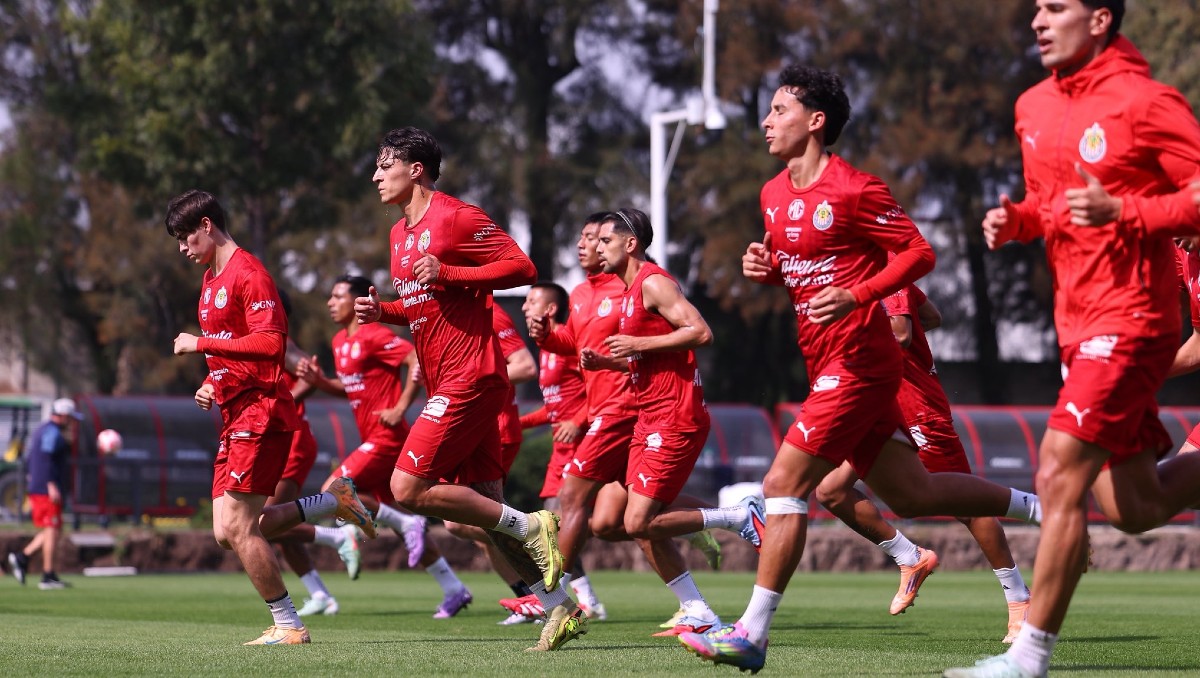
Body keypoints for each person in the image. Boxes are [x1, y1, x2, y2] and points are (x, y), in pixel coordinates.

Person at [677, 66, 1042, 674]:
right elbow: (802, 270)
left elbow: (920, 253)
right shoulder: (772, 195)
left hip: (861, 361)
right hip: (824, 357)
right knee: (915, 492)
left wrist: (859, 294)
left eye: (778, 110)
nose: (766, 121)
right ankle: (1044, 510)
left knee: (784, 485)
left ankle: (751, 633)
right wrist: (770, 269)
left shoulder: (854, 189)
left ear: (816, 121)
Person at [946, 2, 1200, 674]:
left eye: (1055, 7)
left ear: (1099, 20)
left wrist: (1130, 210)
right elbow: (1054, 205)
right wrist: (1019, 221)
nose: (1037, 19)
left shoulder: (1146, 102)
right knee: (1133, 505)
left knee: (1057, 469)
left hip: (1134, 317)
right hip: (1074, 325)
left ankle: (1029, 654)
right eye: (1035, 7)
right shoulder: (1032, 105)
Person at [353, 127, 573, 652]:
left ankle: (531, 525)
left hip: (470, 377)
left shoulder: (456, 216)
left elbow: (523, 266)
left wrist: (450, 270)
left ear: (417, 170)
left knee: (407, 489)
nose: (376, 175)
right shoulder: (398, 236)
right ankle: (561, 606)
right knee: (486, 513)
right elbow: (423, 306)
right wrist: (382, 310)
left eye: (386, 165)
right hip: (449, 380)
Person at [527, 213, 754, 639]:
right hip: (648, 414)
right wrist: (610, 358)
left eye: (606, 240)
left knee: (626, 518)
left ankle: (735, 517)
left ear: (630, 244)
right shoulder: (630, 290)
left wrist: (637, 344)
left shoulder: (652, 282)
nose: (597, 248)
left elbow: (701, 332)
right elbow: (643, 358)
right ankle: (697, 609)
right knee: (626, 523)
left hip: (671, 414)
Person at [166, 189, 376, 645]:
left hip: (261, 412)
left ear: (207, 225)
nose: (183, 248)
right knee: (226, 531)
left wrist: (199, 344)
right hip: (234, 408)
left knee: (242, 529)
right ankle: (333, 502)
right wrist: (211, 382)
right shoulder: (209, 281)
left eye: (185, 237)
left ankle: (289, 625)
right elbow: (233, 349)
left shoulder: (250, 272)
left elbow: (270, 346)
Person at [814, 281, 1032, 642]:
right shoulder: (857, 276)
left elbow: (901, 332)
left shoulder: (882, 275)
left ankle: (1021, 599)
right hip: (878, 409)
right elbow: (931, 315)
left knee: (971, 508)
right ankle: (910, 556)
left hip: (917, 409)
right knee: (830, 490)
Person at [295, 274, 472, 619]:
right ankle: (453, 588)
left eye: (337, 295)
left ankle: (408, 526)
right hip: (371, 439)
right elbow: (347, 389)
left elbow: (415, 360)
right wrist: (318, 382)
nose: (330, 302)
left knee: (333, 489)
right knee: (400, 522)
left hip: (387, 437)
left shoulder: (374, 334)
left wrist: (401, 407)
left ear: (358, 300)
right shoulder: (338, 342)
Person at [503, 280, 606, 624]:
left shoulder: (571, 343)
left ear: (550, 309)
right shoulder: (547, 348)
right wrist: (520, 422)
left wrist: (578, 421)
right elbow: (555, 407)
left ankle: (554, 600)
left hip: (583, 443)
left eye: (531, 300)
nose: (524, 306)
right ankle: (584, 600)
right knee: (558, 526)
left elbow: (601, 390)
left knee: (559, 526)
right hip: (561, 449)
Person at [7, 398, 81, 590]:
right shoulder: (52, 432)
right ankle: (47, 576)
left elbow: (33, 458)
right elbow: (46, 458)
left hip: (40, 487)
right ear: (63, 415)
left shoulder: (44, 429)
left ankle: (22, 558)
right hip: (46, 489)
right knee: (51, 529)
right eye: (70, 418)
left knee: (54, 530)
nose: (72, 422)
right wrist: (50, 484)